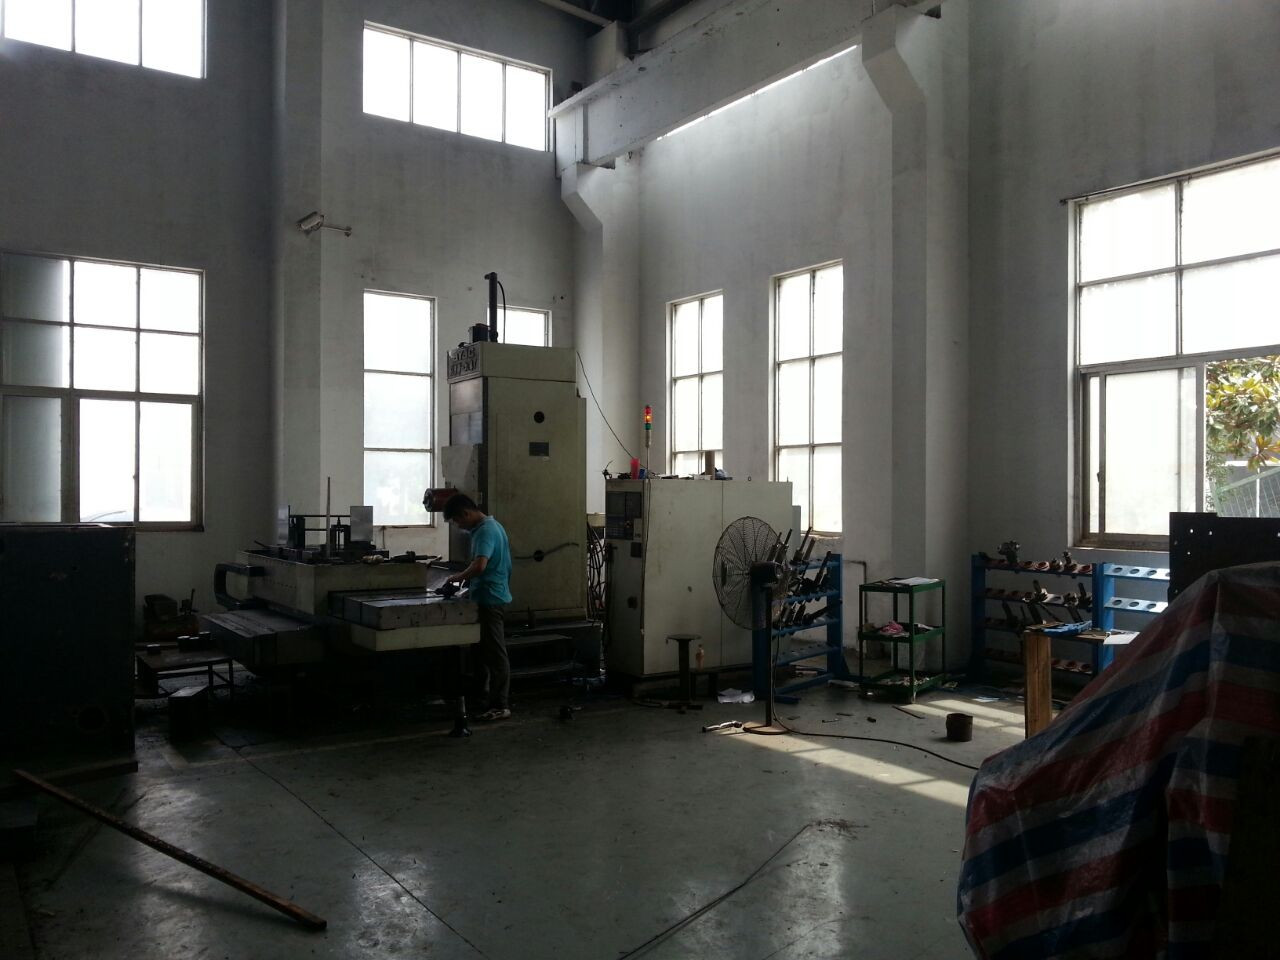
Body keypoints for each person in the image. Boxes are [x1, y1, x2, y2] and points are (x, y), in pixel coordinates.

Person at [443, 494, 513, 721]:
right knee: (481, 653)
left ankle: (500, 705)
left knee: (495, 654)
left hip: (491, 599)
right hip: (486, 596)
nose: (459, 526)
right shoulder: (492, 527)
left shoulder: (485, 531)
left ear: (466, 513)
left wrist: (457, 578)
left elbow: (480, 565)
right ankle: (482, 698)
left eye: (457, 521)